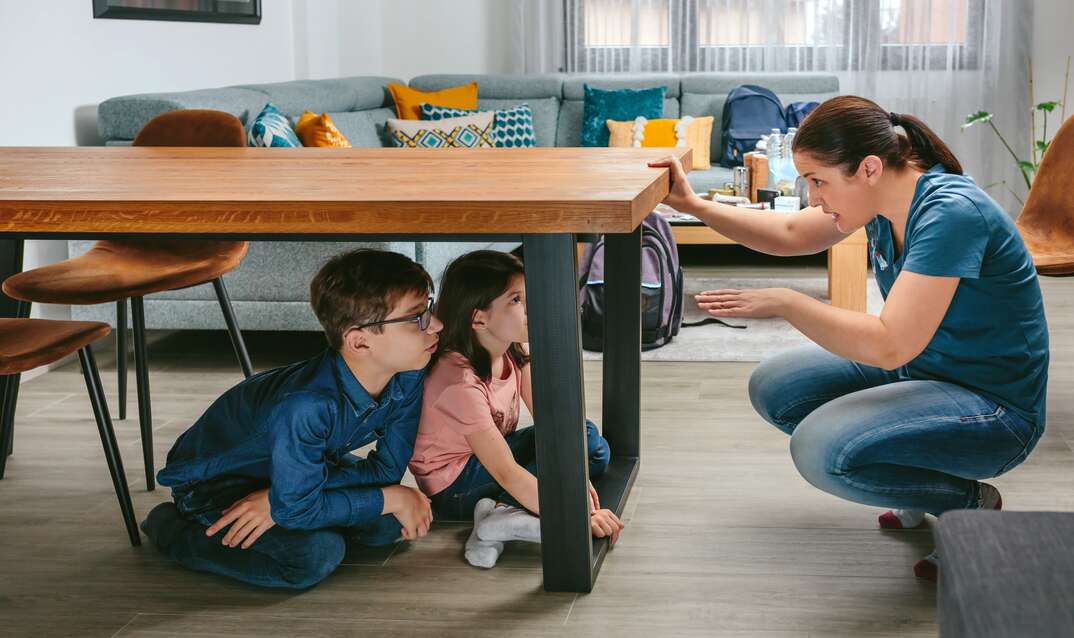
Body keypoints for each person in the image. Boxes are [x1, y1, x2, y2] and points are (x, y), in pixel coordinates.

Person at [649, 95, 1049, 582]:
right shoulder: (881, 202)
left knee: (820, 449)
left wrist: (788, 302)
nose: (813, 196)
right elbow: (791, 233)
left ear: (869, 168)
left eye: (819, 181)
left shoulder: (951, 214)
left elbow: (889, 344)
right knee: (775, 385)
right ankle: (914, 486)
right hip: (925, 371)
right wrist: (692, 204)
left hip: (994, 409)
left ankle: (968, 503)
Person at [140, 249, 442, 589]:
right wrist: (392, 497)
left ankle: (301, 503)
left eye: (429, 309)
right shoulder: (306, 406)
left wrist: (281, 501)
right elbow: (315, 503)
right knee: (315, 555)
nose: (437, 325)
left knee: (387, 525)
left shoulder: (409, 372)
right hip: (218, 480)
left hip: (302, 467)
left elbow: (385, 471)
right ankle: (172, 529)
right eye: (417, 318)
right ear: (359, 342)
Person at [408, 250, 624, 568]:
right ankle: (502, 517)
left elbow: (552, 422)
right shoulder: (459, 382)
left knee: (588, 442)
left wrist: (576, 478)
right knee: (556, 467)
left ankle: (497, 516)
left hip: (490, 458)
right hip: (455, 486)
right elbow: (506, 471)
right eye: (516, 300)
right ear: (478, 318)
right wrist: (577, 514)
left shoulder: (511, 345)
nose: (531, 306)